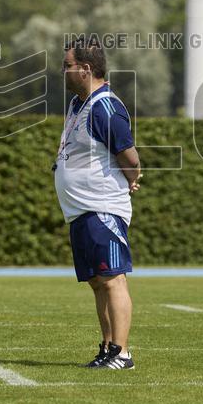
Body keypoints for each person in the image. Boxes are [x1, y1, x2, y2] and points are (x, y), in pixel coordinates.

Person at [53, 37, 142, 370]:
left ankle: (122, 352)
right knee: (97, 282)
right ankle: (106, 347)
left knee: (113, 278)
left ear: (85, 69)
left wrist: (133, 176)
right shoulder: (79, 104)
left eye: (67, 66)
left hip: (102, 207)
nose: (63, 71)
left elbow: (129, 154)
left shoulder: (104, 106)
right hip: (80, 211)